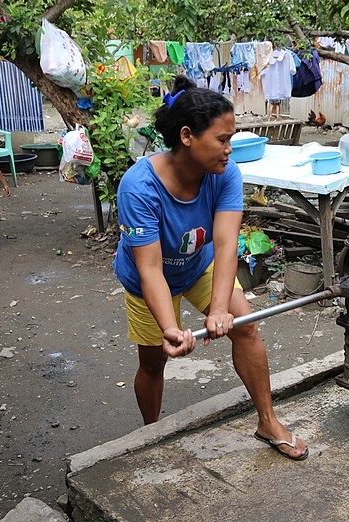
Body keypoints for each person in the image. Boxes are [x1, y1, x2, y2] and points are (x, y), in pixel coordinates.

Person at [113, 76, 309, 461]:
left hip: (200, 264)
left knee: (245, 326)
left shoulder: (226, 174)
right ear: (187, 136)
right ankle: (153, 435)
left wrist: (221, 309)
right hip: (148, 280)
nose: (229, 149)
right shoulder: (139, 186)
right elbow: (150, 267)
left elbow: (224, 244)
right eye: (222, 140)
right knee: (152, 363)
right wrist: (171, 327)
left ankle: (268, 421)